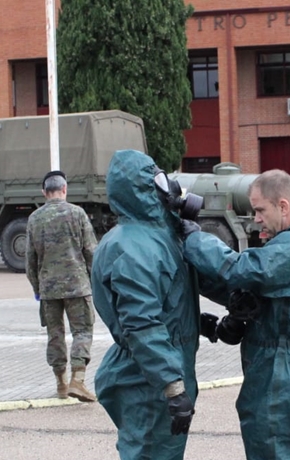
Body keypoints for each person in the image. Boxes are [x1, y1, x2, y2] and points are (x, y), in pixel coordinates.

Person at [180, 169, 290, 460]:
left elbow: (239, 269)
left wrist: (194, 237)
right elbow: (240, 285)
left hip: (281, 370)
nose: (256, 218)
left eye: (260, 209)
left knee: (271, 453)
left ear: (283, 206)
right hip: (279, 365)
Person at [91, 149, 202, 459]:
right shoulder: (132, 247)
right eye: (157, 179)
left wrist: (201, 322)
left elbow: (167, 302)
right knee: (148, 452)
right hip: (146, 379)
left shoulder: (156, 237)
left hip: (158, 370)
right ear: (143, 189)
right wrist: (172, 387)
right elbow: (141, 323)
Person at [25, 170, 98, 403]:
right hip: (78, 286)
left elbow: (30, 260)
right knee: (83, 331)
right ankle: (79, 379)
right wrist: (95, 281)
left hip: (49, 289)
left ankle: (60, 383)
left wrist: (38, 288)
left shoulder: (34, 219)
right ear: (65, 189)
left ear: (44, 192)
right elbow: (91, 252)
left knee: (54, 335)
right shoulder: (77, 214)